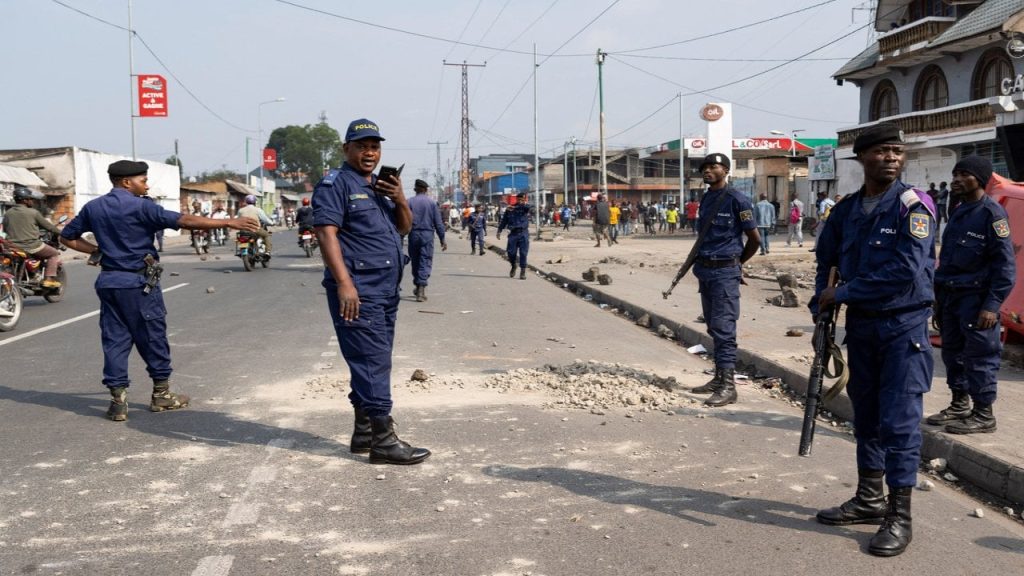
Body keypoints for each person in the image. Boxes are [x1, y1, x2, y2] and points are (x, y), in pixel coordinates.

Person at [809, 123, 936, 558]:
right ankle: (868, 497)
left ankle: (899, 516)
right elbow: (826, 261)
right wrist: (819, 312)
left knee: (899, 423)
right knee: (866, 417)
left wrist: (840, 293)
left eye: (898, 152)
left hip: (903, 329)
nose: (892, 158)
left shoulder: (913, 206)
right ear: (862, 158)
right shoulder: (846, 210)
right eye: (882, 151)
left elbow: (906, 270)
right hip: (862, 328)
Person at [58, 160, 259, 422]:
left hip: (109, 282)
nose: (147, 184)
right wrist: (229, 223)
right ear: (127, 182)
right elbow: (184, 220)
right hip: (138, 284)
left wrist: (98, 252)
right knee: (152, 336)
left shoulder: (94, 207)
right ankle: (161, 395)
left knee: (114, 340)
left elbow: (67, 236)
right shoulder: (142, 207)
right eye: (143, 180)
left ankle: (118, 403)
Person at [312, 118, 430, 465]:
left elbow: (403, 228)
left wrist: (401, 199)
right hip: (359, 291)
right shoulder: (335, 184)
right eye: (362, 146)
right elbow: (325, 234)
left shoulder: (381, 186)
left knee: (372, 361)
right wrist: (345, 283)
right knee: (373, 362)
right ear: (346, 149)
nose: (369, 152)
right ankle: (383, 441)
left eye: (375, 147)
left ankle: (363, 433)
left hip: (385, 290)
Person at [927, 156, 1015, 435]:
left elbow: (1005, 266)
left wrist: (992, 305)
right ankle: (959, 404)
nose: (955, 179)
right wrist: (937, 298)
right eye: (955, 173)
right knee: (953, 353)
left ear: (981, 179)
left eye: (963, 174)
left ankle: (983, 414)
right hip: (952, 297)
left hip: (977, 301)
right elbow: (949, 258)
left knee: (980, 356)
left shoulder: (992, 215)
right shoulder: (959, 209)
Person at [687, 153, 760, 407]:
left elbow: (755, 240)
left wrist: (739, 263)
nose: (707, 171)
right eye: (705, 167)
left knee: (724, 328)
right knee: (713, 326)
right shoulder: (707, 198)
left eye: (714, 167)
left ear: (726, 171)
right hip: (706, 271)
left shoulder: (737, 200)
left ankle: (729, 387)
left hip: (725, 272)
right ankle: (719, 378)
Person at [1, 186, 63, 288]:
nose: (32, 201)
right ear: (25, 200)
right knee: (54, 253)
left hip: (12, 247)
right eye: (31, 199)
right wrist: (62, 233)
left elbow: (5, 229)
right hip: (31, 246)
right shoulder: (33, 213)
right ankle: (48, 279)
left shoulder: (8, 213)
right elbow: (49, 227)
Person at [407, 179, 448, 302]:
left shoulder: (408, 202)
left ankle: (418, 284)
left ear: (415, 189)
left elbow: (402, 220)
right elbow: (438, 223)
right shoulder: (431, 203)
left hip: (413, 234)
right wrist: (442, 239)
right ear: (425, 190)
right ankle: (421, 289)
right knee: (425, 260)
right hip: (427, 235)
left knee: (415, 260)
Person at [496, 191, 533, 279]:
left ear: (524, 200)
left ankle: (523, 271)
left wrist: (522, 204)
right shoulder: (509, 209)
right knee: (510, 253)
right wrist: (499, 230)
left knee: (523, 253)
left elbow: (531, 208)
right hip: (513, 234)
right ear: (517, 199)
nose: (520, 201)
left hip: (523, 233)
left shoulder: (525, 208)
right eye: (519, 199)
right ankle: (513, 265)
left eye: (522, 199)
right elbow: (504, 220)